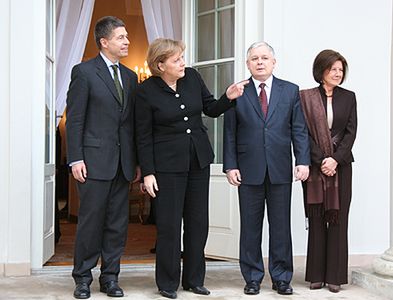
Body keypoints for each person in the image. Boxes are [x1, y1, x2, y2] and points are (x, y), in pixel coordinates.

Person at [135, 38, 247, 299]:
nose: (183, 62)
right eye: (176, 59)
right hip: (166, 166)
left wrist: (227, 98)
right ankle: (167, 283)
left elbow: (210, 108)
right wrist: (148, 172)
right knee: (169, 225)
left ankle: (194, 280)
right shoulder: (145, 91)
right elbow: (142, 135)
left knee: (198, 223)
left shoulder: (193, 78)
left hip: (198, 161)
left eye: (182, 57)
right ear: (160, 64)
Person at [223, 41, 310, 296]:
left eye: (264, 58)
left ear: (274, 62)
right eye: (254, 59)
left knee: (281, 227)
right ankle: (252, 277)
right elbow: (230, 133)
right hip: (248, 170)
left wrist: (302, 160)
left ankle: (282, 277)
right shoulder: (237, 91)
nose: (259, 62)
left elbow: (299, 129)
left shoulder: (290, 91)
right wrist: (230, 166)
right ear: (247, 63)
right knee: (250, 227)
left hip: (280, 169)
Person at [65, 16, 139, 299]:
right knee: (90, 223)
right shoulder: (83, 73)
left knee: (117, 225)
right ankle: (82, 278)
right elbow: (75, 120)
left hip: (122, 165)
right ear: (104, 42)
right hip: (93, 163)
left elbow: (131, 124)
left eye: (127, 37)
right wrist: (75, 159)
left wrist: (136, 162)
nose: (127, 42)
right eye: (121, 37)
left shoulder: (131, 77)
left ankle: (110, 278)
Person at [299, 49, 357, 293]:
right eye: (332, 69)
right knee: (317, 217)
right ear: (321, 71)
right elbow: (302, 133)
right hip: (315, 167)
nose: (337, 73)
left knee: (338, 218)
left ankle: (334, 276)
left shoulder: (349, 97)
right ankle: (315, 275)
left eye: (340, 70)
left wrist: (335, 159)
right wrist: (322, 159)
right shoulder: (306, 97)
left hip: (340, 167)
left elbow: (351, 132)